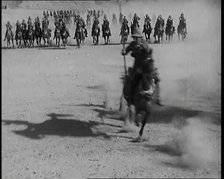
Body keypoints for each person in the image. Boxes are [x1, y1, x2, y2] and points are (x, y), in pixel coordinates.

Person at [121, 27, 163, 106]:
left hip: (147, 65)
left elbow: (149, 53)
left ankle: (158, 98)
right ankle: (131, 98)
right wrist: (124, 51)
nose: (135, 39)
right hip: (137, 66)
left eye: (137, 37)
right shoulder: (132, 44)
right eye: (134, 37)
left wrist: (144, 49)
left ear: (140, 37)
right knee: (133, 81)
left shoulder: (144, 44)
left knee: (156, 79)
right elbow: (126, 51)